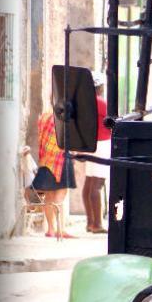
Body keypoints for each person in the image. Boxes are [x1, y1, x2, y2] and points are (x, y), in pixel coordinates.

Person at [32, 97, 78, 240]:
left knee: (49, 196)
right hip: (61, 159)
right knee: (60, 196)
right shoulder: (65, 121)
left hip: (46, 160)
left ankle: (50, 229)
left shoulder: (44, 116)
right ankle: (60, 229)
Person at [81, 72, 110, 234]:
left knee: (89, 182)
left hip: (91, 145)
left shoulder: (84, 102)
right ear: (99, 87)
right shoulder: (100, 102)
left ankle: (90, 222)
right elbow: (112, 121)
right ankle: (97, 224)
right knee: (97, 185)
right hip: (103, 144)